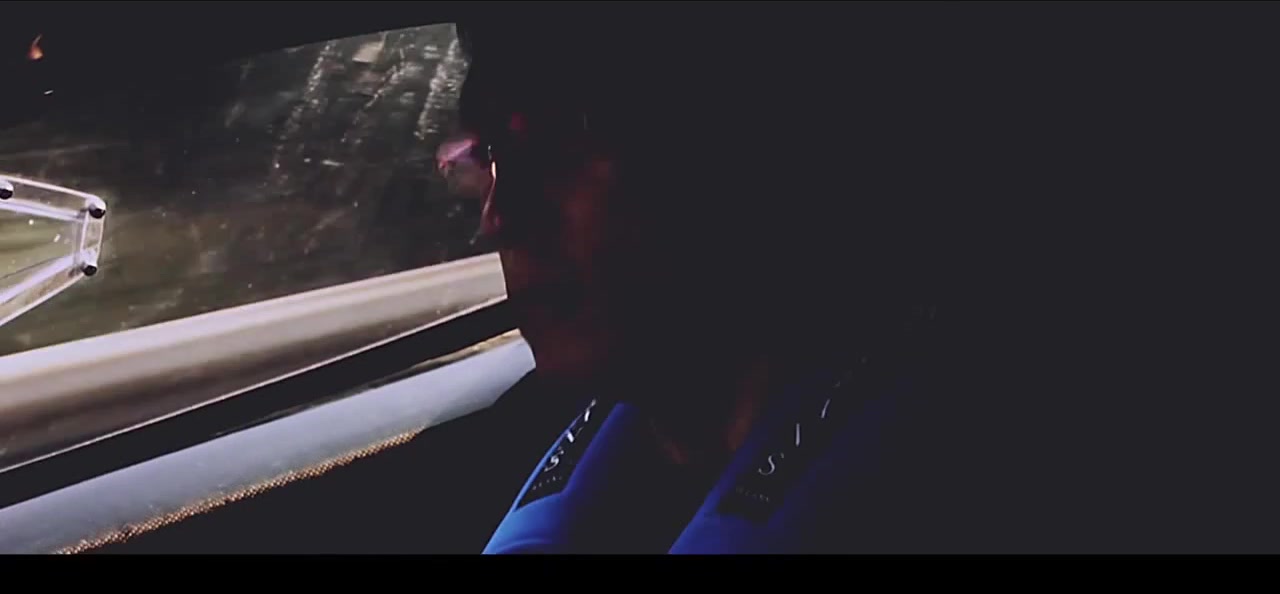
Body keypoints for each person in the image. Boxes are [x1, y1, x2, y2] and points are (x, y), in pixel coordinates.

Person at [446, 6, 1280, 553]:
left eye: (564, 141)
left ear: (728, 143)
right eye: (492, 155)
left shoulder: (1002, 472)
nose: (501, 215)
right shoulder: (508, 444)